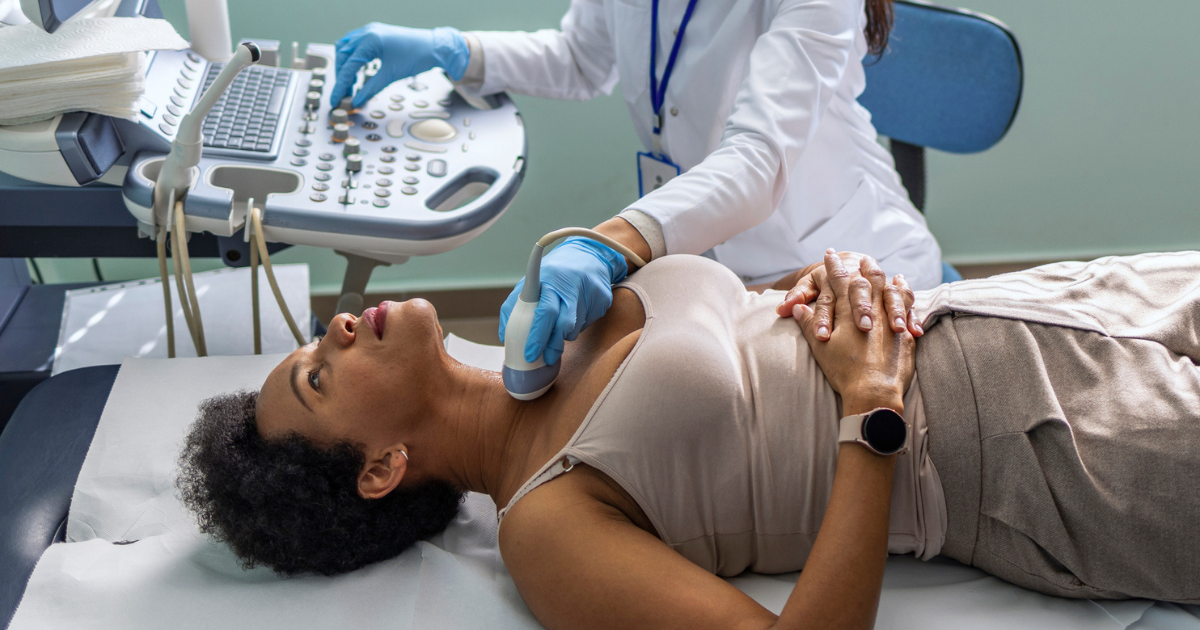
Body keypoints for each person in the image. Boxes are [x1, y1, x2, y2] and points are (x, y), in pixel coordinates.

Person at [177, 246, 1200, 629]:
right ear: (382, 470)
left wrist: (815, 287)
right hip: (1044, 451)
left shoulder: (551, 328)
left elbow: (739, 343)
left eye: (317, 340)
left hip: (1057, 301)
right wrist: (870, 414)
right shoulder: (547, 528)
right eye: (321, 374)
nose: (341, 326)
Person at [328, 0, 945, 369]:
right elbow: (581, 57)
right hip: (724, 270)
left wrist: (605, 242)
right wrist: (456, 51)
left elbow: (759, 160)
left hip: (851, 269)